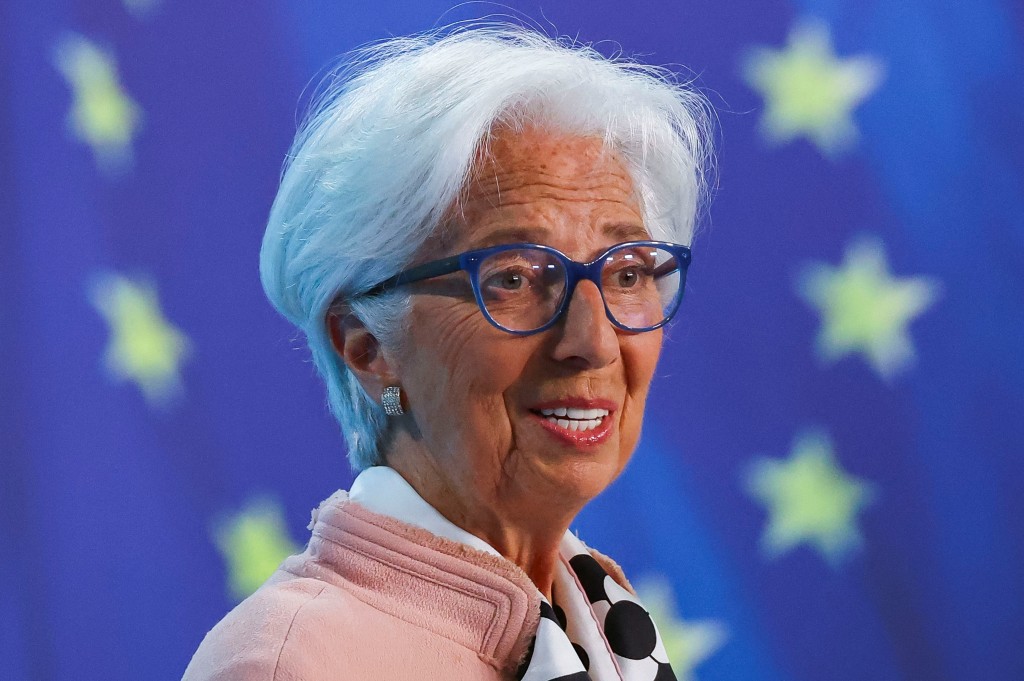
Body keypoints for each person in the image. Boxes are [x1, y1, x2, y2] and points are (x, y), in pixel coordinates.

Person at [184, 24, 713, 681]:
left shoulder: (601, 618)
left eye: (628, 272)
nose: (593, 342)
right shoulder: (292, 664)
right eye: (515, 276)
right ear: (367, 345)